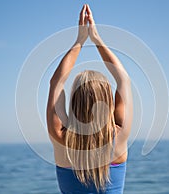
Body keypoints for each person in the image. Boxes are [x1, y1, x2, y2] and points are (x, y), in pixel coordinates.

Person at [46, 4, 133, 194]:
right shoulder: (120, 136)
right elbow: (123, 79)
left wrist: (80, 41)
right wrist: (96, 38)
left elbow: (56, 83)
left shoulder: (60, 138)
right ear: (108, 102)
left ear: (75, 103)